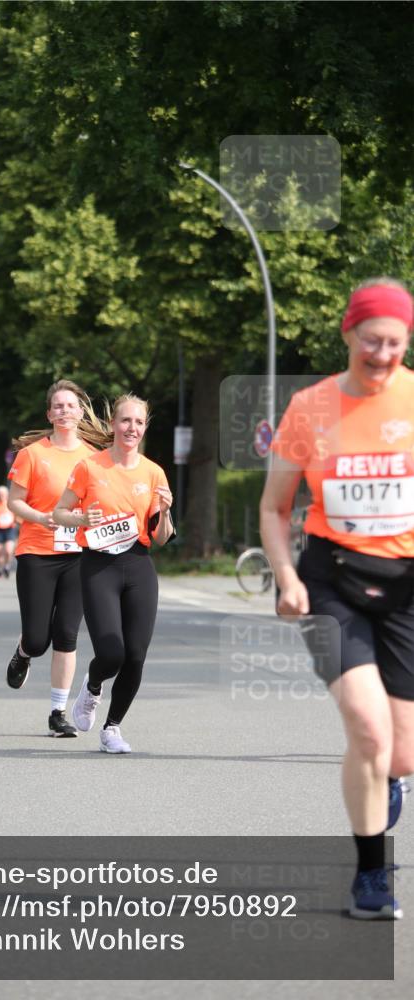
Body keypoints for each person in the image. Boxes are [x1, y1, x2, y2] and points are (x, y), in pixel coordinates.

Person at [260, 278, 414, 920]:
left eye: (395, 343)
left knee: (400, 750)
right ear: (348, 333)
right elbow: (274, 507)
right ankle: (371, 876)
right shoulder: (311, 406)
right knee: (368, 730)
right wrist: (288, 578)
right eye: (371, 339)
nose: (381, 354)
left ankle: (388, 777)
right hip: (330, 579)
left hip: (407, 584)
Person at [54, 394, 174, 753]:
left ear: (144, 428)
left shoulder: (154, 472)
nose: (131, 428)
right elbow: (60, 512)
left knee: (136, 654)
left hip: (138, 564)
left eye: (138, 422)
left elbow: (161, 537)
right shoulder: (90, 467)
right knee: (112, 651)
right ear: (113, 425)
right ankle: (92, 686)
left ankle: (112, 728)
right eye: (125, 421)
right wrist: (79, 518)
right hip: (98, 565)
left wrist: (166, 512)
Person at [6, 379, 100, 737]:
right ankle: (24, 651)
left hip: (78, 554)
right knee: (37, 637)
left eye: (70, 405)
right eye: (58, 406)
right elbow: (13, 501)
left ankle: (57, 712)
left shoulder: (93, 457)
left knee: (67, 634)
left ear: (80, 412)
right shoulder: (33, 454)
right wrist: (39, 517)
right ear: (49, 413)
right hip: (37, 551)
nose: (64, 411)